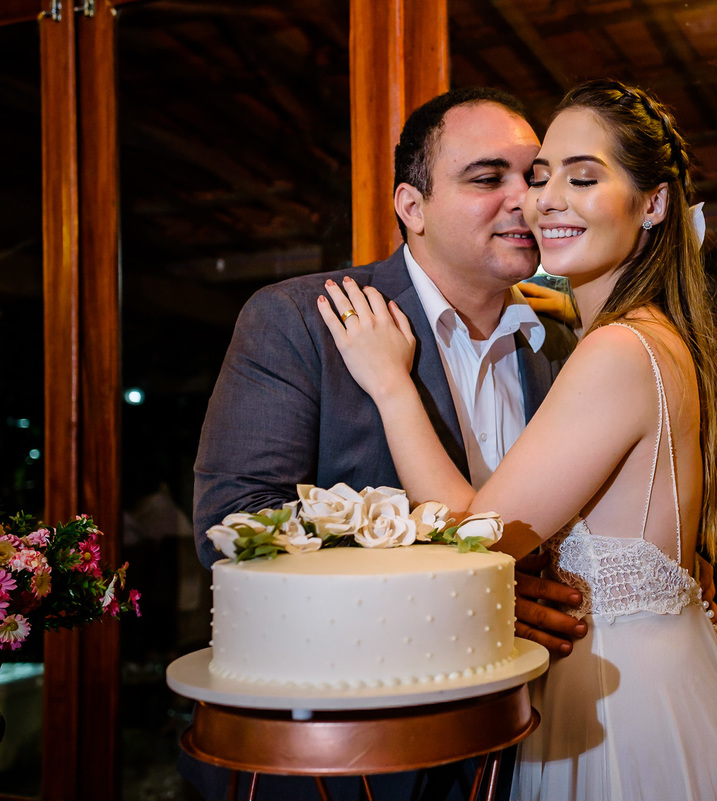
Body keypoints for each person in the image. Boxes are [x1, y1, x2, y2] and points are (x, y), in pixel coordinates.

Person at [318, 80, 717, 801]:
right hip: (655, 682)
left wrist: (391, 385)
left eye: (584, 176)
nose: (543, 199)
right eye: (543, 177)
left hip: (616, 713)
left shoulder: (618, 352)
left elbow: (477, 539)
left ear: (655, 203)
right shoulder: (643, 337)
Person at [188, 87, 585, 801]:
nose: (525, 199)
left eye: (537, 176)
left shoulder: (558, 344)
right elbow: (236, 529)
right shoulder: (303, 322)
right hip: (342, 755)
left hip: (529, 742)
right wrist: (475, 599)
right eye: (489, 178)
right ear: (412, 205)